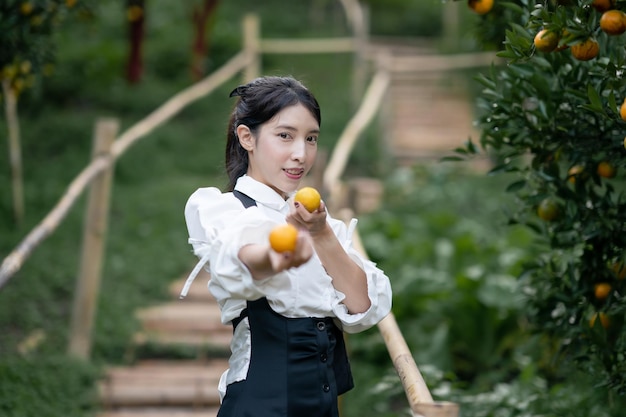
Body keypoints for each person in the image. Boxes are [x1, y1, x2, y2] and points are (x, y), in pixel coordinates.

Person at [180, 75, 392, 417]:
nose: (301, 154)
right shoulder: (226, 211)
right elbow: (243, 256)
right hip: (259, 407)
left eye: (311, 139)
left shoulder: (324, 224)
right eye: (285, 136)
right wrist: (276, 259)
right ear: (247, 137)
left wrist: (321, 235)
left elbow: (362, 306)